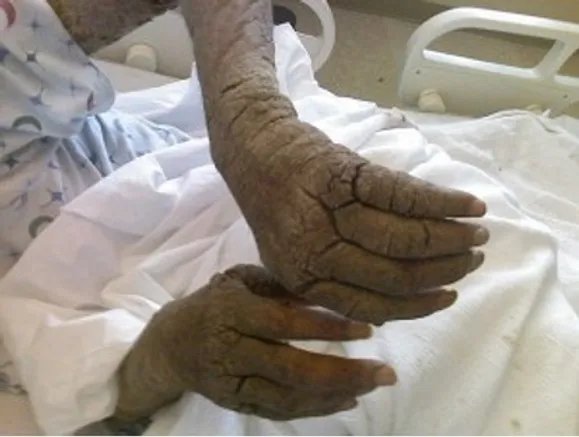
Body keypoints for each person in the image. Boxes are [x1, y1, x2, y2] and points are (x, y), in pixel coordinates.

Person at [0, 0, 489, 427]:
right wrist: (172, 353)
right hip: (156, 334)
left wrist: (256, 131)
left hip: (204, 186)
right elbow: (72, 384)